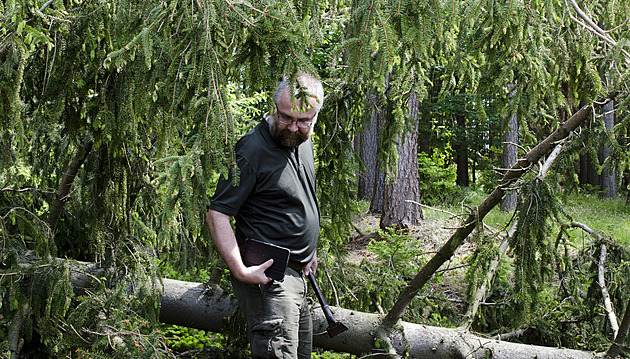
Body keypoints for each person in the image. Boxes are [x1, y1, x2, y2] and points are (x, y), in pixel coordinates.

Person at [206, 72, 323, 358]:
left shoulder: (300, 141)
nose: (293, 128)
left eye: (303, 121)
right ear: (273, 107)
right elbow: (217, 214)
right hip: (270, 278)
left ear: (315, 117)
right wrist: (240, 269)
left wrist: (309, 250)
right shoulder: (251, 150)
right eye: (285, 117)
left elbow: (297, 199)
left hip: (298, 274)